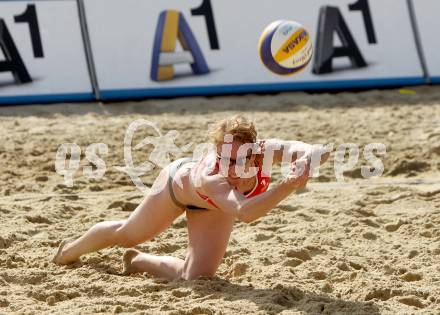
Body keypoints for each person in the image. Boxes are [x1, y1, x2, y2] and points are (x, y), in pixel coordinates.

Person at [52, 115, 330, 280]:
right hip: (176, 187)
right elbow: (245, 213)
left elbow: (320, 150)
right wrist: (288, 184)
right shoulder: (213, 177)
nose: (230, 167)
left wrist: (306, 160)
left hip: (213, 207)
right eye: (224, 158)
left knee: (196, 277)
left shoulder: (266, 150)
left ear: (255, 151)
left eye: (237, 159)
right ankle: (69, 251)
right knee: (128, 233)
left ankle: (137, 261)